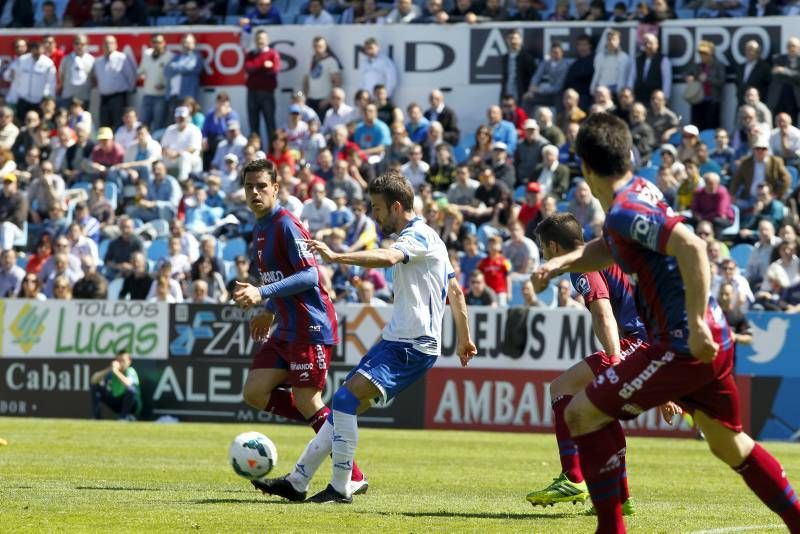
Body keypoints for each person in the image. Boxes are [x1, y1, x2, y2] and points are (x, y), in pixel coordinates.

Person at [532, 113, 800, 533]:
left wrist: (693, 326)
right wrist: (562, 263)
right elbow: (611, 246)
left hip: (680, 344)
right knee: (730, 444)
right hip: (707, 339)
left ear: (585, 167)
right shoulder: (638, 194)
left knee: (581, 413)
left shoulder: (624, 210)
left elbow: (692, 246)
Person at [253, 169, 476, 504]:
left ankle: (341, 487)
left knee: (343, 402)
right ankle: (298, 481)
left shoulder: (417, 236)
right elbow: (456, 292)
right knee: (345, 408)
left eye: (377, 208)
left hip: (412, 345)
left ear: (397, 207)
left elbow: (388, 258)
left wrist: (338, 256)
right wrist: (464, 339)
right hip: (397, 339)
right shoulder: (433, 239)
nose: (375, 215)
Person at [231, 159, 368, 497]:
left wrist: (262, 293)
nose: (255, 192)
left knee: (307, 399)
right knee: (254, 392)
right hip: (286, 328)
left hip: (310, 327)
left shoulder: (286, 224)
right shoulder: (260, 228)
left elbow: (310, 275)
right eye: (249, 186)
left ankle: (353, 474)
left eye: (262, 186)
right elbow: (282, 280)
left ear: (276, 188)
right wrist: (269, 309)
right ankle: (326, 425)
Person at [527, 213, 663, 511]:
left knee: (561, 388)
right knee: (600, 410)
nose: (543, 254)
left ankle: (573, 477)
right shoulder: (603, 256)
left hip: (634, 344)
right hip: (649, 341)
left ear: (554, 246)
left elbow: (603, 313)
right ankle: (620, 497)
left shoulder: (581, 265)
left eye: (543, 248)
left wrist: (615, 359)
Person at [92, 35, 137, 131]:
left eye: (111, 43)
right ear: (102, 46)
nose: (108, 45)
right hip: (104, 98)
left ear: (116, 45)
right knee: (104, 125)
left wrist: (130, 90)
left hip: (118, 97)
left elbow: (131, 75)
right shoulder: (98, 61)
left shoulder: (122, 58)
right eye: (106, 43)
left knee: (118, 125)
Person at [245, 30, 281, 141]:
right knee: (253, 125)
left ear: (267, 40)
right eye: (258, 39)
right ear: (255, 40)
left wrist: (261, 67)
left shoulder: (273, 53)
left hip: (267, 94)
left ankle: (273, 153)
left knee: (270, 124)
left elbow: (275, 70)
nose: (260, 41)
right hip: (252, 93)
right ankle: (256, 153)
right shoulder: (251, 54)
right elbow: (248, 67)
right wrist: (264, 66)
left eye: (263, 38)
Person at [686, 41, 725, 132]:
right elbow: (685, 73)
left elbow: (721, 82)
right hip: (698, 100)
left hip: (712, 101)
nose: (702, 55)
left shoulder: (718, 65)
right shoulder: (697, 66)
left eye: (705, 53)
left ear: (711, 54)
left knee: (711, 127)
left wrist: (707, 79)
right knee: (696, 126)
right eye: (701, 53)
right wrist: (689, 77)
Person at [90, 351, 141, 421]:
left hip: (132, 407)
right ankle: (96, 418)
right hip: (116, 402)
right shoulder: (112, 371)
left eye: (123, 360)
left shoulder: (130, 371)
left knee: (131, 390)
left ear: (129, 361)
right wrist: (110, 369)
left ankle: (123, 418)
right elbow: (93, 380)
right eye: (118, 360)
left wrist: (116, 372)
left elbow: (128, 384)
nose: (120, 363)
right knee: (95, 387)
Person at [499, 29, 535, 103]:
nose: (513, 41)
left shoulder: (527, 57)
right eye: (510, 38)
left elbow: (533, 76)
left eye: (515, 38)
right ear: (507, 40)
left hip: (522, 93)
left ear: (520, 40)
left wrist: (529, 91)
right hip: (507, 93)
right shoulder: (505, 58)